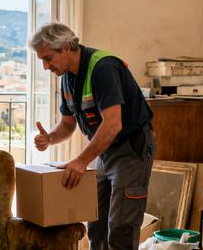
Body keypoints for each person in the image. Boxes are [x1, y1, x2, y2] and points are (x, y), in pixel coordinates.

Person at [29, 22, 156, 250]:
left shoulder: (103, 68)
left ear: (66, 47)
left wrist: (81, 160)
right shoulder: (67, 77)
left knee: (121, 227)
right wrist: (49, 138)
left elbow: (113, 124)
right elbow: (67, 125)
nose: (46, 66)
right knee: (96, 225)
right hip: (105, 150)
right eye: (42, 61)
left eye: (48, 58)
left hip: (130, 148)